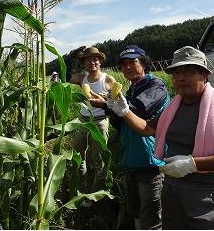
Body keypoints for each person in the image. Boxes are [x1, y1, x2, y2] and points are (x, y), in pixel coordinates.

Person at [152, 46, 214, 229]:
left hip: (208, 196)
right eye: (175, 73)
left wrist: (191, 164)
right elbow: (147, 128)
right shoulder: (170, 110)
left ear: (205, 75)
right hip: (172, 191)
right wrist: (121, 109)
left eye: (188, 72)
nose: (180, 78)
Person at [89, 45, 170, 229]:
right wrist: (106, 107)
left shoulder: (155, 85)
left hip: (150, 163)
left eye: (132, 62)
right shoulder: (130, 91)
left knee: (151, 216)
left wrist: (111, 104)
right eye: (123, 64)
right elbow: (123, 124)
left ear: (143, 63)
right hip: (131, 162)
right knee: (136, 211)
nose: (127, 67)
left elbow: (140, 111)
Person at [65, 46, 116, 193]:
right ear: (84, 64)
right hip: (82, 121)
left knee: (98, 159)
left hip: (100, 122)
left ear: (100, 62)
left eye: (95, 59)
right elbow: (66, 77)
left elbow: (116, 102)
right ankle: (81, 189)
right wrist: (71, 59)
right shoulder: (82, 78)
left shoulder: (108, 79)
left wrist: (105, 101)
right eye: (88, 60)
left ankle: (96, 193)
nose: (92, 62)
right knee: (78, 158)